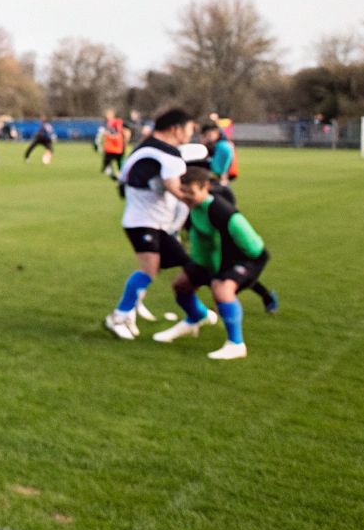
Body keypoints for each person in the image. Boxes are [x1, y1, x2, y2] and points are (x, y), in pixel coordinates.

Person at [151, 165, 271, 360]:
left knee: (222, 290)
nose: (186, 197)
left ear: (205, 187)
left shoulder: (222, 211)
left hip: (245, 259)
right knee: (181, 285)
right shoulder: (191, 208)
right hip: (210, 260)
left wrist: (227, 273)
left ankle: (236, 344)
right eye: (183, 191)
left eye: (191, 192)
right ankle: (197, 318)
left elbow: (254, 248)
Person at [102, 108, 199, 340]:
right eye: (189, 129)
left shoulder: (143, 148)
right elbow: (175, 188)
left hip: (151, 221)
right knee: (151, 269)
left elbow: (123, 182)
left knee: (178, 266)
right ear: (176, 129)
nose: (191, 134)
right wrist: (204, 204)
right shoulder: (169, 155)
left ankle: (132, 311)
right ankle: (119, 316)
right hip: (144, 221)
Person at [195, 124, 279, 313]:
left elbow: (217, 172)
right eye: (203, 135)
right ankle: (260, 297)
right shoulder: (211, 148)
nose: (205, 138)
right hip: (209, 198)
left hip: (219, 197)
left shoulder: (223, 147)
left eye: (208, 134)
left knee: (226, 266)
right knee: (220, 267)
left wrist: (202, 168)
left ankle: (227, 302)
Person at [98, 111, 127, 178]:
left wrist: (111, 135)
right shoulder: (107, 123)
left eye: (109, 114)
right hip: (111, 146)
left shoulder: (118, 122)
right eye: (107, 114)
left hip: (117, 145)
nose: (108, 116)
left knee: (119, 160)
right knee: (107, 159)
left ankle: (120, 172)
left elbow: (120, 132)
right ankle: (107, 170)